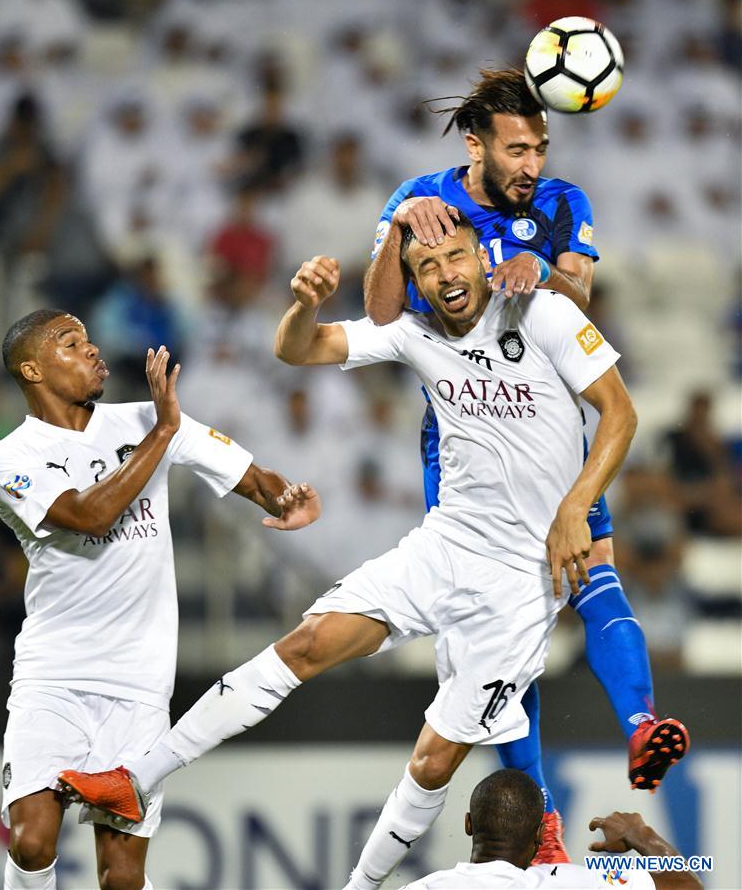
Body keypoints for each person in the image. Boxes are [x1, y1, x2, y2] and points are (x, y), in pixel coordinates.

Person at [59, 214, 638, 889]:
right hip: (446, 547)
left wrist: (575, 507)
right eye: (427, 266)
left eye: (455, 257)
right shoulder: (413, 331)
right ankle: (136, 780)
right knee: (306, 643)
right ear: (415, 282)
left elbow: (620, 413)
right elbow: (295, 350)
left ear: (483, 258)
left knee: (432, 762)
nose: (445, 274)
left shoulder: (541, 315)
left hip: (520, 584)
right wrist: (305, 305)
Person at [363, 68, 689, 858]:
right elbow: (378, 313)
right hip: (465, 443)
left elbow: (581, 296)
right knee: (506, 633)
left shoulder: (563, 204)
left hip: (550, 431)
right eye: (517, 150)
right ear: (475, 145)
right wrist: (397, 231)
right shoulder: (422, 200)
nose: (532, 165)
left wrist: (546, 272)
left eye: (540, 148)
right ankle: (542, 823)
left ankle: (642, 726)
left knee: (594, 569)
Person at [0, 309, 321, 890]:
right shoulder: (3, 459)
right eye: (71, 342)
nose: (91, 349)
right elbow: (88, 515)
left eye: (89, 339)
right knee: (31, 843)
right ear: (31, 370)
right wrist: (162, 432)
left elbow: (255, 478)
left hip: (139, 683)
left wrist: (286, 499)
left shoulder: (146, 418)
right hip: (54, 675)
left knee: (121, 876)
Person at [400, 769, 702, 889]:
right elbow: (686, 886)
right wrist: (640, 834)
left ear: (469, 824)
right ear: (540, 835)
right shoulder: (573, 883)